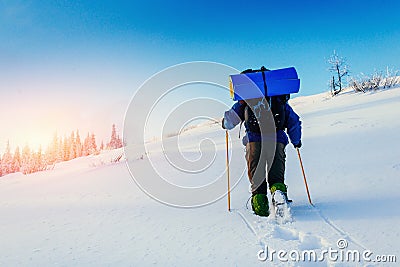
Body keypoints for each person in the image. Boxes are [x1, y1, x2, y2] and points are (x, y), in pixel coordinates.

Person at [222, 95, 302, 217]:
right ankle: (278, 192)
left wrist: (224, 123)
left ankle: (260, 206)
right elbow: (294, 121)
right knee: (276, 173)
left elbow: (229, 122)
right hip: (276, 140)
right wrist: (296, 141)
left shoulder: (246, 101)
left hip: (254, 142)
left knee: (257, 175)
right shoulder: (279, 100)